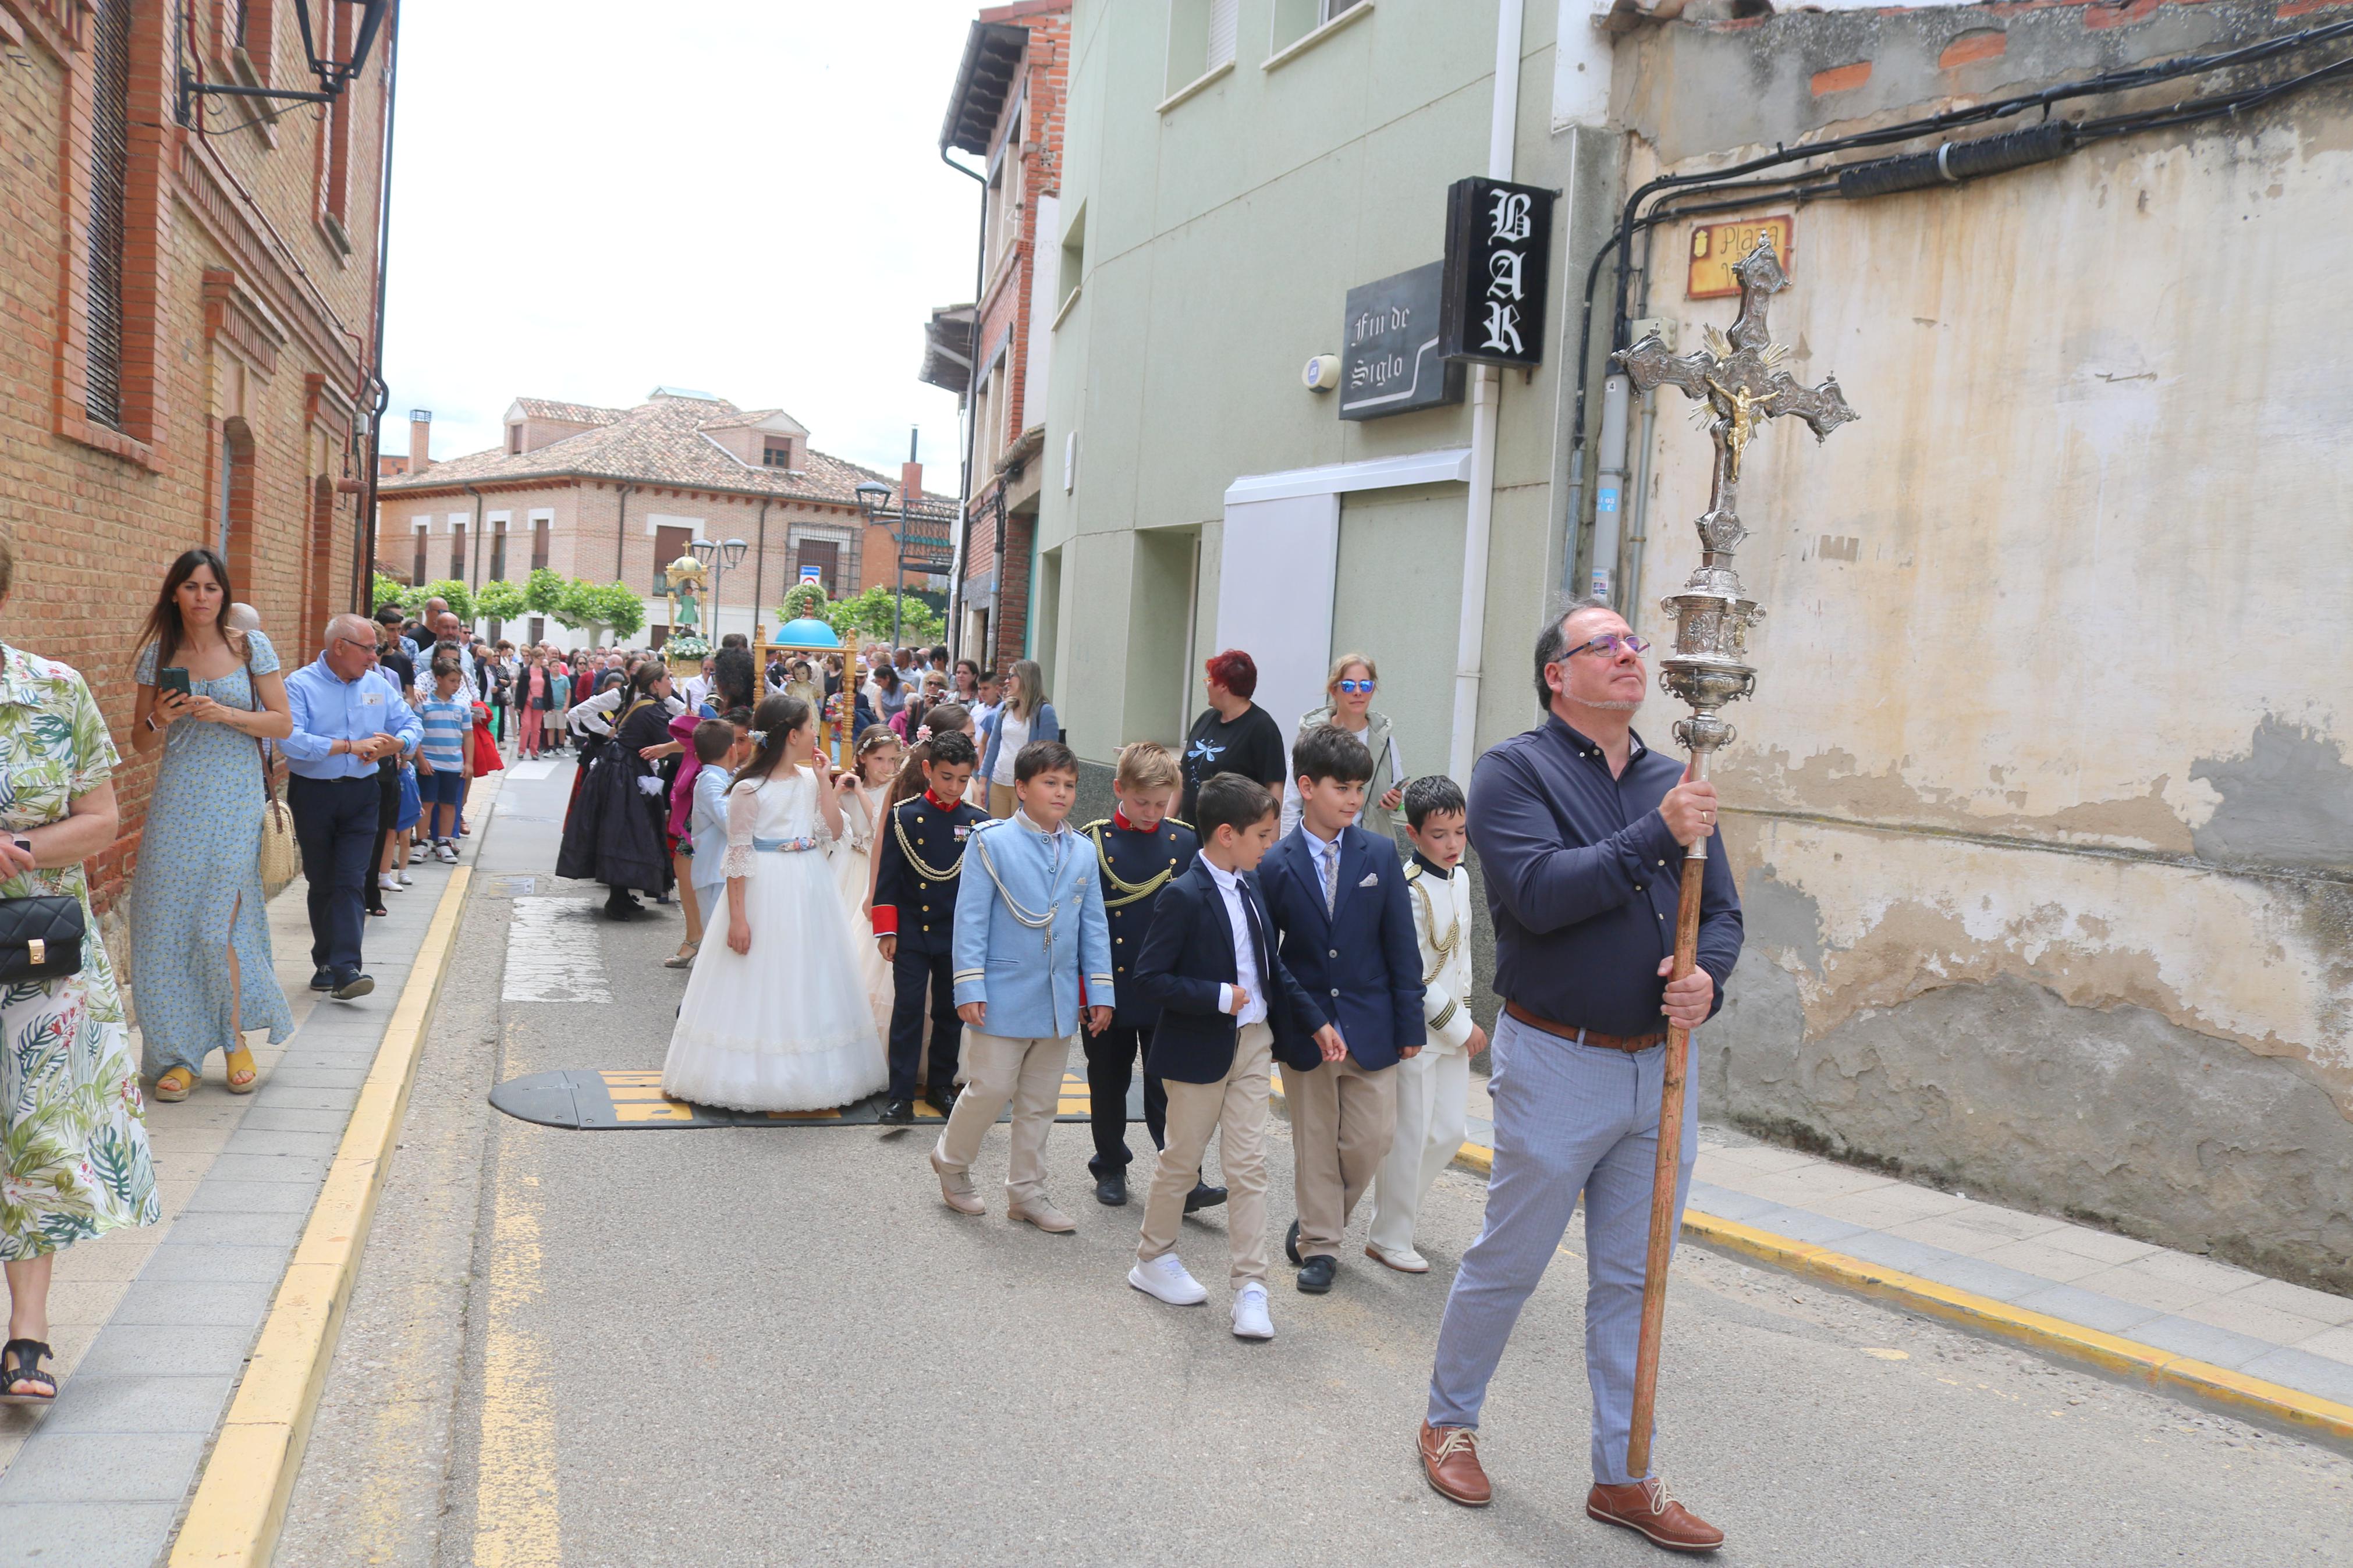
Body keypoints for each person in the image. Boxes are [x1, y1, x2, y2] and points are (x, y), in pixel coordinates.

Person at [1416, 600, 1741, 1552]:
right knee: (1510, 1259)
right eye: (1603, 646)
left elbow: (1717, 910)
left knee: (1634, 1281)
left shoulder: (1671, 777)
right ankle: (1448, 1421)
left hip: (1659, 1069)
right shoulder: (1511, 773)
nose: (1628, 656)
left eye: (1631, 644)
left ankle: (1624, 1476)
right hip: (1557, 1059)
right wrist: (1656, 834)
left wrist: (1705, 979)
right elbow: (1539, 896)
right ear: (1556, 675)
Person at [0, 531, 161, 1407]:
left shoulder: (52, 690)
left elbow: (99, 816)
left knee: (36, 1130)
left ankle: (27, 1336)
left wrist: (20, 847)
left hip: (34, 950)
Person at [1124, 774, 1340, 1340]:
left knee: (1248, 1166)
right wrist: (1218, 996)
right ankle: (1152, 1258)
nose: (1270, 844)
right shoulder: (1181, 894)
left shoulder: (1250, 886)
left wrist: (1314, 1019)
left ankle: (1251, 1287)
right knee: (1181, 1159)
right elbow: (1149, 977)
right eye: (1263, 835)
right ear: (1226, 834)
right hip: (1198, 1047)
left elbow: (1271, 966)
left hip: (1253, 1045)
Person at [1257, 724, 1423, 1295]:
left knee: (1370, 1139)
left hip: (1372, 1025)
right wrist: (1297, 1018)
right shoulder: (1275, 862)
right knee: (1314, 1142)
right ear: (1306, 786)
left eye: (1360, 788)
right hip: (1307, 1032)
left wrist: (1410, 1023)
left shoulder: (1378, 851)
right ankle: (1321, 1248)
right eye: (1342, 788)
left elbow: (1401, 946)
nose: (1354, 799)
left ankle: (1311, 1221)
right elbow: (1266, 956)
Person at [661, 694, 887, 1111]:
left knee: (805, 975)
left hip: (808, 881)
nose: (817, 731)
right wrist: (738, 918)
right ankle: (753, 1073)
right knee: (761, 976)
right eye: (811, 724)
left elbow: (834, 829)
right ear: (793, 734)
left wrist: (823, 781)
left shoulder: (807, 780)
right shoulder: (749, 787)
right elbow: (738, 854)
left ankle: (809, 1072)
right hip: (765, 884)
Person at [127, 549, 296, 1099]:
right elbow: (140, 740)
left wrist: (226, 714)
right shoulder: (158, 656)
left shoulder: (251, 647)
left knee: (217, 927)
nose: (201, 596)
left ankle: (234, 1039)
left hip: (235, 804)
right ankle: (175, 1054)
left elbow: (282, 723)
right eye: (191, 586)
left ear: (223, 595)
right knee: (164, 928)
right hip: (177, 802)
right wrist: (164, 716)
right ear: (174, 593)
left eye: (212, 587)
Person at [928, 739, 1113, 1233]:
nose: (1062, 793)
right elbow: (969, 920)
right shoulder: (991, 841)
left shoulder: (1082, 851)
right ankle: (950, 1160)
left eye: (1069, 785)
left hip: (1055, 1000)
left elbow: (1093, 926)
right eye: (1050, 782)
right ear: (1024, 787)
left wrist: (1099, 992)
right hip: (1001, 989)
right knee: (989, 1087)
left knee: (1040, 1101)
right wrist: (968, 986)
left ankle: (1027, 1191)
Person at [1076, 741, 1218, 1213]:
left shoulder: (1183, 841)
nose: (1151, 813)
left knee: (1168, 1088)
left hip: (1165, 989)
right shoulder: (1093, 842)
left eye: (1161, 804)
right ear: (1119, 789)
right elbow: (1081, 924)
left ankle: (1183, 1175)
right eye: (1142, 802)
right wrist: (1087, 991)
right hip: (1110, 989)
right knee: (1108, 1080)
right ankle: (1111, 1164)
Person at [1365, 776, 1482, 1273]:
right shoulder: (1407, 888)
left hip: (1456, 1027)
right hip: (1419, 1032)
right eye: (1440, 834)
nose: (1453, 843)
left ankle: (1392, 1217)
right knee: (1410, 1137)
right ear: (1413, 834)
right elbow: (1411, 969)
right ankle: (1390, 1234)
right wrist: (1459, 1025)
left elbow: (1462, 955)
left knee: (1448, 1133)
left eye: (1459, 831)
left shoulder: (1461, 879)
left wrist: (1468, 1014)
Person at [281, 614, 421, 1001]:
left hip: (363, 794)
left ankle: (346, 968)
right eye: (368, 649)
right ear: (339, 646)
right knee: (322, 879)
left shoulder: (377, 685)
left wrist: (400, 743)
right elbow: (290, 740)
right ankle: (324, 962)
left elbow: (410, 721)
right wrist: (347, 746)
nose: (375, 657)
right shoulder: (300, 685)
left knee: (350, 878)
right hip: (313, 793)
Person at [870, 728, 986, 1121]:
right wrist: (886, 929)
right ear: (927, 770)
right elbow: (888, 878)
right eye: (945, 777)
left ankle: (939, 1084)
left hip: (957, 933)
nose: (954, 787)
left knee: (950, 1012)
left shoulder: (978, 823)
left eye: (962, 779)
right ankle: (900, 1094)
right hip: (913, 930)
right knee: (907, 1008)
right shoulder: (905, 816)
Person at [556, 664, 678, 919]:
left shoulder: (644, 703)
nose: (672, 683)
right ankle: (616, 899)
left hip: (619, 769)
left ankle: (621, 895)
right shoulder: (651, 708)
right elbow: (668, 741)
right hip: (623, 773)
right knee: (624, 835)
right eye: (668, 678)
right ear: (656, 683)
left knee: (622, 834)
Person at [1282, 654, 1407, 848]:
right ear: (1334, 690)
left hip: (1370, 849)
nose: (1358, 692)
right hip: (1320, 848)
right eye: (1349, 686)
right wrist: (1288, 851)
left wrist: (1396, 803)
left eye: (1366, 686)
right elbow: (1292, 802)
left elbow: (1399, 797)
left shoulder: (1385, 739)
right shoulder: (1313, 737)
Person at [828, 725, 903, 1036]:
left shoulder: (895, 789)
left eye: (892, 760)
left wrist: (860, 792)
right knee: (838, 941)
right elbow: (826, 825)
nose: (887, 767)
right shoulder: (848, 787)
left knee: (867, 946)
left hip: (877, 870)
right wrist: (837, 791)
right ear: (863, 758)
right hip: (850, 865)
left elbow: (880, 825)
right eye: (879, 760)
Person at [675, 717, 751, 972]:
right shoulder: (709, 781)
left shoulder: (727, 777)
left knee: (729, 943)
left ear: (696, 755)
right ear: (733, 749)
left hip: (724, 871)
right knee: (716, 944)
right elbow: (730, 823)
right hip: (713, 873)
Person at [1179, 649, 1289, 826]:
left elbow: (1274, 786)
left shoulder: (1262, 728)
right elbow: (1182, 774)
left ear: (1223, 686)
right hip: (1191, 833)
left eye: (1209, 680)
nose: (1207, 686)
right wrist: (1167, 822)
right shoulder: (1205, 719)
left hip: (1233, 837)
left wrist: (1270, 839)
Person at [979, 659, 1060, 820]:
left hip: (1025, 788)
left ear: (1026, 678)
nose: (1007, 681)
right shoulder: (1004, 708)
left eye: (1012, 676)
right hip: (998, 783)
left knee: (1021, 836)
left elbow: (1049, 758)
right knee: (998, 836)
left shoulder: (1045, 712)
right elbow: (993, 746)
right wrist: (982, 781)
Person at [416, 659, 472, 863]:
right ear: (439, 680)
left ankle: (444, 842)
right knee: (427, 803)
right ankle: (422, 841)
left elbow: (468, 736)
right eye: (452, 681)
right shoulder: (425, 705)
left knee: (449, 804)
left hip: (452, 764)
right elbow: (417, 735)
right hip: (430, 763)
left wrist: (468, 763)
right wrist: (420, 760)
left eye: (458, 681)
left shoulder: (463, 706)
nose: (456, 685)